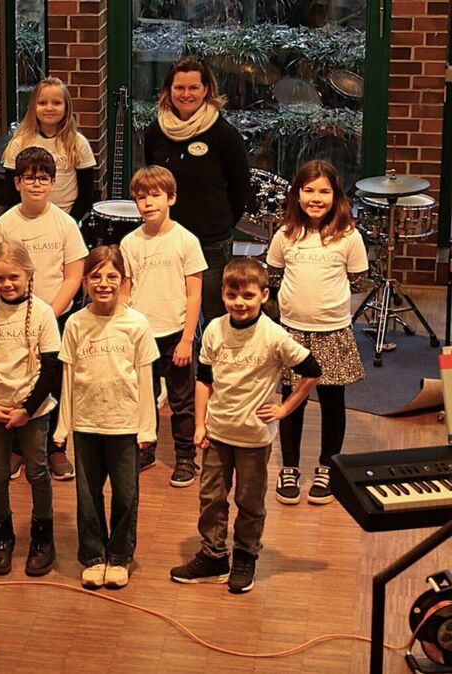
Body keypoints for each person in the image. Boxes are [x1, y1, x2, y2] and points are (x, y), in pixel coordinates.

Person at [171, 258, 320, 594]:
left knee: (249, 502)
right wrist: (199, 424)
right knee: (211, 497)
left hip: (253, 437)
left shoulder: (274, 335)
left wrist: (285, 408)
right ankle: (213, 556)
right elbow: (204, 379)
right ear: (223, 294)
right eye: (232, 295)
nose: (239, 302)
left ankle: (245, 555)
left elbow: (312, 369)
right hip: (217, 431)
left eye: (248, 296)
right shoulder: (213, 330)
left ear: (264, 295)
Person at [54, 246, 158, 589]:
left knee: (126, 495)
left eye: (111, 276)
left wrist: (147, 427)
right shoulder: (75, 324)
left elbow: (145, 378)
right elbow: (68, 377)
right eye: (96, 276)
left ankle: (120, 555)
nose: (103, 283)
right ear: (84, 282)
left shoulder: (137, 324)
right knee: (88, 495)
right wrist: (63, 425)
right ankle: (94, 555)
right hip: (86, 423)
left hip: (124, 424)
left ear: (124, 281)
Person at [267, 160, 368, 506]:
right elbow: (274, 277)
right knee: (291, 401)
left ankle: (328, 467)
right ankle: (290, 468)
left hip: (332, 332)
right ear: (296, 194)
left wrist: (330, 310)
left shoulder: (349, 237)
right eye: (308, 190)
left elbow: (357, 281)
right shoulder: (285, 235)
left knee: (332, 402)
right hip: (292, 333)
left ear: (336, 196)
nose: (316, 197)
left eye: (324, 191)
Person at [0, 145, 87, 480]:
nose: (36, 185)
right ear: (17, 183)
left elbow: (74, 275)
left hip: (54, 317)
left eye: (43, 178)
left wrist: (48, 314)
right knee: (15, 378)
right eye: (29, 178)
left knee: (53, 382)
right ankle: (16, 448)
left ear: (53, 183)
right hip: (11, 317)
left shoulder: (65, 224)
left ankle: (54, 449)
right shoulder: (4, 224)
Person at [0, 243, 61, 577]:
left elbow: (52, 367)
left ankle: (42, 537)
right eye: (0, 278)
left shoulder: (42, 313)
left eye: (14, 277)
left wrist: (27, 409)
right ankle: (2, 537)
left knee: (37, 470)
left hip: (32, 410)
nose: (7, 284)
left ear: (28, 275)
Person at [143, 56, 250, 325]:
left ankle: (210, 368)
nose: (186, 94)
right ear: (168, 91)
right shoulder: (155, 132)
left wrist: (220, 225)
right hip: (167, 240)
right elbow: (153, 183)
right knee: (170, 312)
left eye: (193, 88)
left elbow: (240, 189)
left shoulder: (224, 134)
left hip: (211, 241)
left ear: (206, 90)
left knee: (215, 315)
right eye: (179, 88)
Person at [119, 165, 206, 484]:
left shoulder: (186, 240)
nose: (148, 203)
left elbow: (194, 295)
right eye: (141, 197)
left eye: (155, 195)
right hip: (142, 335)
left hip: (175, 334)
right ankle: (146, 448)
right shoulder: (130, 242)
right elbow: (126, 291)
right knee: (144, 398)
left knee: (182, 402)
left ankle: (186, 458)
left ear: (171, 197)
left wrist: (186, 340)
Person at [1, 77, 97, 220]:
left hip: (66, 219)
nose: (49, 108)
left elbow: (86, 194)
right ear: (33, 107)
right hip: (28, 220)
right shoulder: (19, 143)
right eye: (42, 103)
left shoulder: (77, 143)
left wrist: (71, 222)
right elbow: (11, 192)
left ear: (66, 108)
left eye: (57, 103)